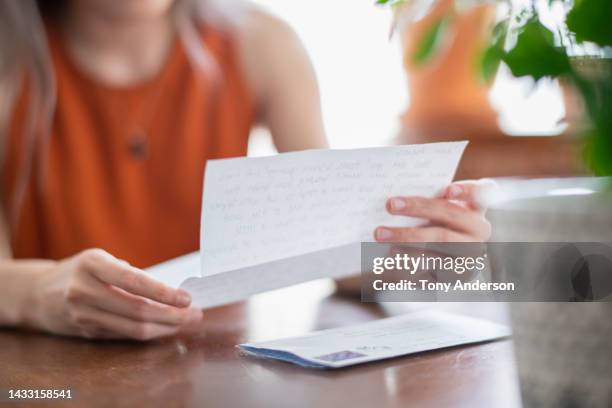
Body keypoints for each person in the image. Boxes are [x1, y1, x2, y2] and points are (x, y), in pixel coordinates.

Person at [0, 0, 491, 341]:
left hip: (212, 365)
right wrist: (39, 296)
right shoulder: (13, 65)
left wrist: (413, 257)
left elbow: (333, 253)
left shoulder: (260, 43)